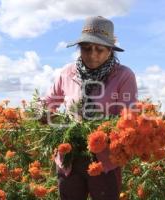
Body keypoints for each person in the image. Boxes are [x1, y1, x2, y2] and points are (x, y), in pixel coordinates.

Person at [43, 16, 138, 200]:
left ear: (110, 50)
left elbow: (128, 117)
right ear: (79, 48)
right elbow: (49, 101)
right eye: (87, 48)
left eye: (99, 49)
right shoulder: (67, 72)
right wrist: (39, 111)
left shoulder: (123, 75)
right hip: (69, 157)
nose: (93, 54)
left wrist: (104, 132)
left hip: (105, 160)